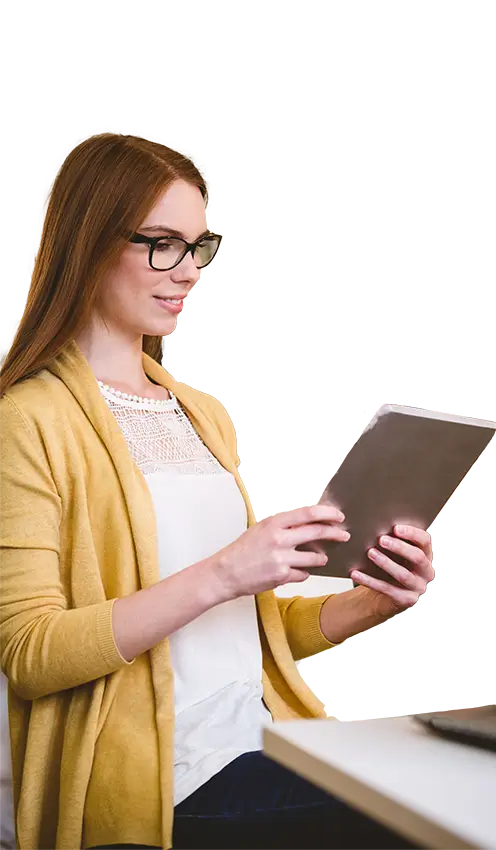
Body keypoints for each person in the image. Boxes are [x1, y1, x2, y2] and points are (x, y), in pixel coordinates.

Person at [0, 132, 434, 849]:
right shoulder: (27, 420)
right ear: (89, 240)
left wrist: (371, 602)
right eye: (162, 243)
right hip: (157, 772)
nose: (190, 272)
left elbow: (241, 636)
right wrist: (226, 570)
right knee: (422, 815)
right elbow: (32, 652)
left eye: (198, 245)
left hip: (258, 735)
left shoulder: (198, 413)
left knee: (469, 775)